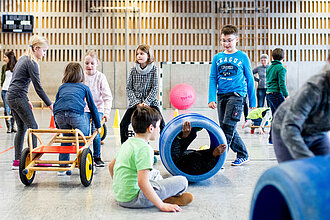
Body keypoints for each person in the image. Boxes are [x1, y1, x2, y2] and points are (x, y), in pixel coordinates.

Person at [109, 107, 193, 211]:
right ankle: (164, 199)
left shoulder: (128, 143)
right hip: (135, 199)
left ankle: (160, 194)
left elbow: (111, 166)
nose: (159, 130)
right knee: (182, 181)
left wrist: (121, 188)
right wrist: (162, 206)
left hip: (121, 197)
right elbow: (142, 182)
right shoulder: (145, 149)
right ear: (151, 128)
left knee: (154, 172)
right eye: (158, 126)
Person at [208, 24, 256, 166]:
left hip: (237, 95)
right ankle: (243, 154)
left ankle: (220, 161)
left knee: (228, 127)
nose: (226, 43)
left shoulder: (242, 56)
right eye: (223, 40)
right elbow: (212, 78)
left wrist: (252, 101)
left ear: (237, 40)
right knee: (225, 126)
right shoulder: (217, 57)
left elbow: (250, 78)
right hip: (221, 95)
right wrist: (211, 98)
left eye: (229, 40)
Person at [6, 35, 53, 170]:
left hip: (12, 96)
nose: (44, 54)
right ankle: (34, 159)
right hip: (16, 97)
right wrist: (50, 105)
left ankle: (17, 161)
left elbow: (18, 81)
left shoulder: (22, 59)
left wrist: (26, 99)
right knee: (33, 127)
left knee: (22, 129)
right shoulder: (31, 63)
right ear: (36, 48)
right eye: (44, 51)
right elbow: (38, 88)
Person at [53, 62, 101, 175]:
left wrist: (57, 126)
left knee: (67, 138)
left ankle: (62, 166)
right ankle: (85, 163)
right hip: (75, 115)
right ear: (81, 75)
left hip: (59, 116)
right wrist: (98, 125)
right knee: (83, 138)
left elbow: (56, 106)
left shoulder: (62, 87)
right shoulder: (84, 87)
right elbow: (92, 107)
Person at [272, 71, 330, 163]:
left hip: (317, 133)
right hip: (286, 129)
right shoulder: (314, 88)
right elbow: (290, 127)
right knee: (299, 173)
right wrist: (309, 164)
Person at [120, 44, 165, 144]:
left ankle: (165, 147)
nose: (139, 56)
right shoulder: (133, 70)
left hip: (150, 102)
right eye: (137, 54)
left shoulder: (154, 70)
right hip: (135, 102)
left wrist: (146, 102)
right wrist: (136, 102)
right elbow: (129, 88)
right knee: (123, 124)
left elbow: (154, 88)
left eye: (141, 53)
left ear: (148, 55)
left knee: (162, 124)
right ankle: (125, 147)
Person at [83, 51, 113, 167]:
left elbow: (107, 96)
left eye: (92, 63)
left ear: (97, 63)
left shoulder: (101, 77)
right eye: (86, 63)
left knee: (96, 131)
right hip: (85, 108)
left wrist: (106, 112)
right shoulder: (82, 76)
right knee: (84, 132)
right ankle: (84, 156)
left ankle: (97, 156)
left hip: (98, 108)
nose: (89, 66)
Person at [266, 48, 289, 144]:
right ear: (284, 57)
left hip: (269, 94)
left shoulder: (269, 67)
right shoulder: (281, 68)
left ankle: (272, 139)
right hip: (276, 94)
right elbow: (282, 83)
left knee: (275, 116)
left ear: (272, 57)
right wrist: (286, 95)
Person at [1, 51, 17, 133]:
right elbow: (2, 78)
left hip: (13, 91)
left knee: (13, 109)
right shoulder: (4, 67)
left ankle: (13, 126)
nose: (3, 59)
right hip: (5, 90)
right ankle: (9, 127)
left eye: (5, 57)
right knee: (6, 109)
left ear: (9, 58)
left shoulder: (16, 67)